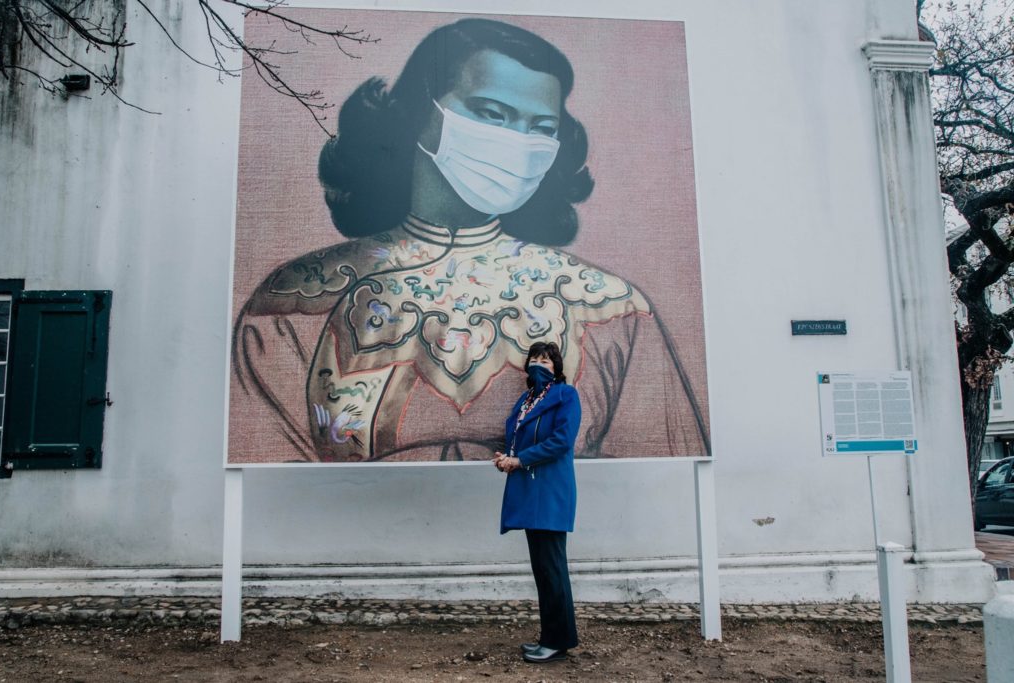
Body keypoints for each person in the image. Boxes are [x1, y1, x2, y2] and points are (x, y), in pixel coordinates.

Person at [231, 18, 709, 463]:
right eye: (491, 113)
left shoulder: (612, 308)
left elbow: (650, 471)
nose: (518, 142)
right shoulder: (293, 302)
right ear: (418, 115)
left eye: (541, 128)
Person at [494, 341, 580, 663]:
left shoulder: (566, 396)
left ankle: (558, 641)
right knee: (542, 568)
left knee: (552, 566)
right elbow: (519, 439)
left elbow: (561, 441)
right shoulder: (526, 400)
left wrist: (520, 461)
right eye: (535, 358)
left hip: (552, 491)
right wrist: (508, 458)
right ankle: (552, 637)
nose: (540, 364)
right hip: (531, 490)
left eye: (547, 360)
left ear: (557, 368)